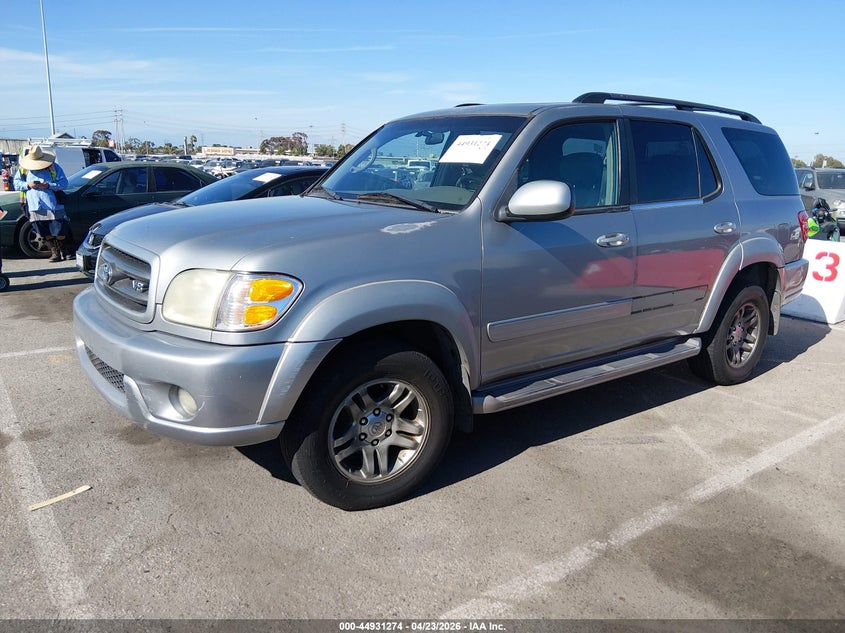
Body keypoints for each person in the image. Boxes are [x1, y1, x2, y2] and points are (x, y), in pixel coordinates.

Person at [14, 145, 69, 262]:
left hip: (53, 204)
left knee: (59, 229)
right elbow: (17, 183)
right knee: (42, 230)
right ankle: (54, 251)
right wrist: (28, 185)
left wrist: (49, 185)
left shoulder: (54, 167)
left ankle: (64, 249)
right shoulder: (23, 169)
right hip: (34, 205)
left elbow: (64, 183)